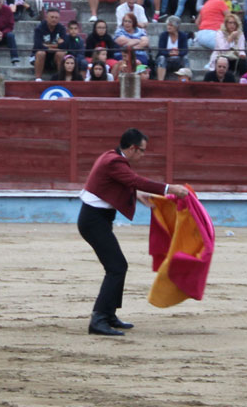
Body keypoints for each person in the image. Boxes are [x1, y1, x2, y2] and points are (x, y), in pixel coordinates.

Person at [78, 128, 189, 336]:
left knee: (117, 266)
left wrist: (137, 194)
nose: (143, 155)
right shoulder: (114, 162)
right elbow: (135, 180)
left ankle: (109, 315)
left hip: (96, 219)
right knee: (117, 267)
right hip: (94, 221)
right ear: (132, 148)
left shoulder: (110, 157)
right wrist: (170, 188)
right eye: (142, 151)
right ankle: (99, 320)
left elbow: (121, 182)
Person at [32, 7, 67, 80]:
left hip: (55, 58)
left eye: (56, 17)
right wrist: (56, 46)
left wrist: (46, 46)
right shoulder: (39, 28)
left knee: (61, 53)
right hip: (40, 57)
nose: (54, 19)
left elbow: (64, 45)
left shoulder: (62, 28)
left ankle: (61, 79)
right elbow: (38, 45)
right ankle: (38, 79)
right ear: (47, 18)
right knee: (41, 53)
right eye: (52, 17)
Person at [156, 15, 189, 80]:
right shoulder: (163, 35)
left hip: (178, 59)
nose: (168, 27)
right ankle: (160, 82)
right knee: (161, 58)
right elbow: (161, 50)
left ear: (177, 27)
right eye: (168, 25)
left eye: (171, 25)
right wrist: (169, 53)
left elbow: (185, 50)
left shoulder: (183, 35)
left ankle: (185, 81)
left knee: (185, 58)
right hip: (166, 59)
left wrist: (178, 53)